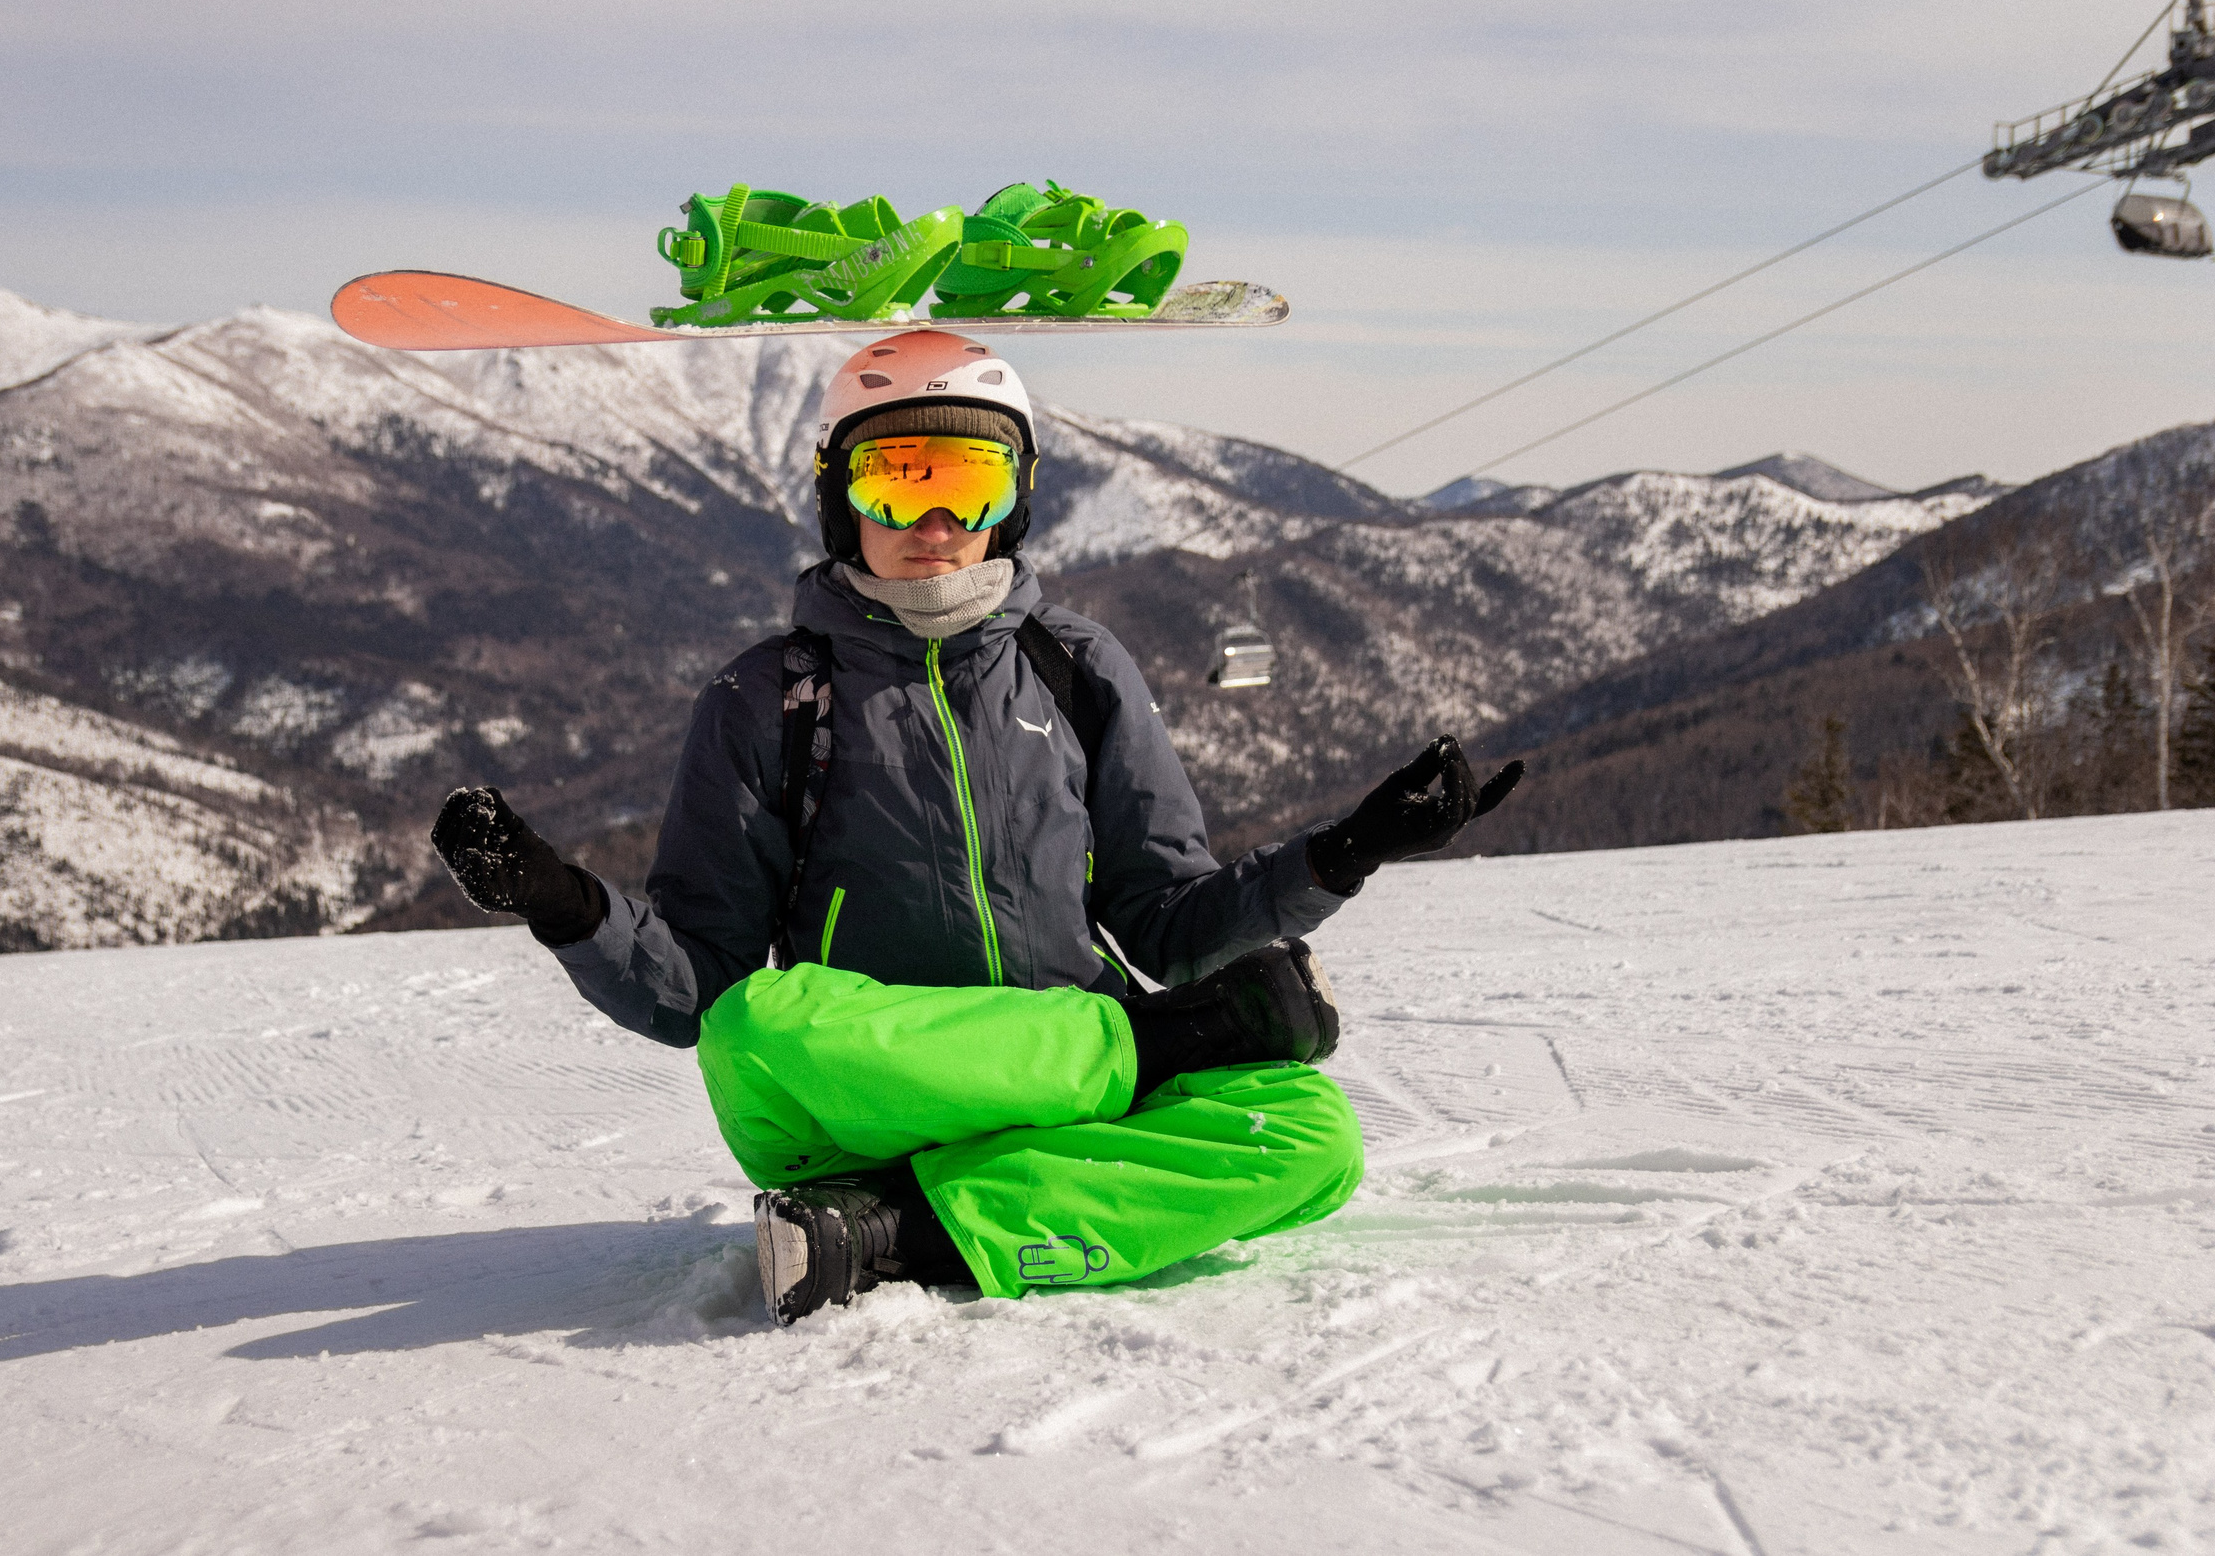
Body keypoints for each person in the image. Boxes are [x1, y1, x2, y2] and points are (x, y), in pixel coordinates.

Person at [430, 330, 1522, 1325]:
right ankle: (1149, 1056)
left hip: (1057, 1088)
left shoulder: (1076, 667)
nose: (935, 522)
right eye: (894, 483)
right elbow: (696, 988)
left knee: (1311, 1136)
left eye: (968, 481)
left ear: (1015, 498)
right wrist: (562, 906)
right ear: (838, 497)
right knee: (753, 1025)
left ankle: (893, 1229)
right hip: (867, 1093)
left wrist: (1348, 851)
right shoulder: (769, 694)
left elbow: (1173, 925)